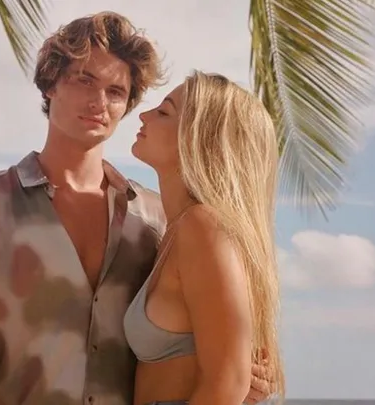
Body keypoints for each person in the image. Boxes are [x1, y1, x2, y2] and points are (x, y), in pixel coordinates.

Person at [0, 11, 277, 405]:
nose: (98, 102)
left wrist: (241, 380)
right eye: (84, 80)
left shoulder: (158, 220)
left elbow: (194, 339)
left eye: (116, 92)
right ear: (51, 83)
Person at [124, 71, 285, 405]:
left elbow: (227, 383)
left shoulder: (202, 227)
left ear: (200, 139)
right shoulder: (178, 229)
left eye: (164, 112)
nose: (143, 114)